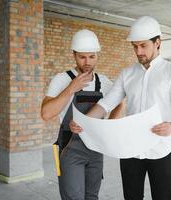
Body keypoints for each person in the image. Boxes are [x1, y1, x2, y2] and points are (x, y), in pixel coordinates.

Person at [70, 16, 171, 200]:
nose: (138, 51)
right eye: (135, 46)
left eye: (143, 46)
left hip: (160, 151)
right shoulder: (127, 74)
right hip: (130, 150)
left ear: (157, 43)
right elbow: (105, 104)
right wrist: (84, 121)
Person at [41, 29, 123, 200]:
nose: (87, 62)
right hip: (70, 150)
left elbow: (120, 102)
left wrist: (107, 127)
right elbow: (46, 113)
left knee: (92, 196)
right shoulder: (62, 79)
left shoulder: (103, 82)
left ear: (97, 55)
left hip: (95, 150)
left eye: (92, 57)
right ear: (74, 55)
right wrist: (71, 88)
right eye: (82, 57)